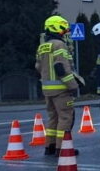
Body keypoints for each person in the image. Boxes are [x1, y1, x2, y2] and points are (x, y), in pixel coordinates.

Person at [35, 15, 83, 155]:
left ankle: (50, 146)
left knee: (53, 118)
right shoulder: (59, 45)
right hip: (61, 89)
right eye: (63, 28)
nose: (65, 32)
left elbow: (38, 67)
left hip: (47, 89)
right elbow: (61, 68)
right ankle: (62, 148)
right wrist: (73, 86)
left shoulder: (42, 46)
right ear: (56, 27)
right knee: (65, 117)